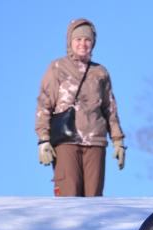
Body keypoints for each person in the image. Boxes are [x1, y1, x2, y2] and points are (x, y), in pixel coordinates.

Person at [35, 18, 126, 197]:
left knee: (94, 199)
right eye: (78, 39)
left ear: (93, 42)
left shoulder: (100, 72)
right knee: (69, 197)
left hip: (96, 141)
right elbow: (44, 104)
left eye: (87, 40)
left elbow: (110, 108)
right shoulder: (57, 67)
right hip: (65, 140)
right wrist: (43, 139)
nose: (83, 44)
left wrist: (118, 140)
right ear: (70, 41)